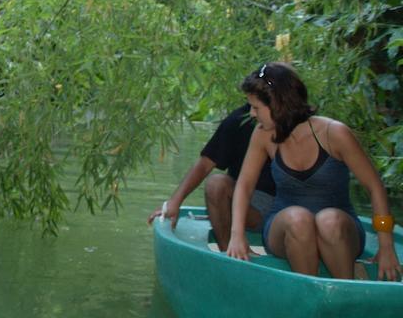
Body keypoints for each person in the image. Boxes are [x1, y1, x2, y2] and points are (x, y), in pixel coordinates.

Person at [228, 62, 403, 281]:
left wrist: (386, 247)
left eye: (256, 107)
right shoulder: (263, 134)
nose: (252, 114)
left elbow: (374, 186)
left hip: (340, 228)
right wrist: (237, 235)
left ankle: (344, 292)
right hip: (284, 228)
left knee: (327, 220)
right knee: (299, 219)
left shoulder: (334, 133)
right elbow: (244, 185)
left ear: (277, 103)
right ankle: (309, 294)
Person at [149, 103, 276, 251]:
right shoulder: (238, 120)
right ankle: (228, 252)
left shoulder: (299, 124)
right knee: (216, 184)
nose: (254, 113)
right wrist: (174, 202)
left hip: (283, 209)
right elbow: (205, 163)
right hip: (247, 205)